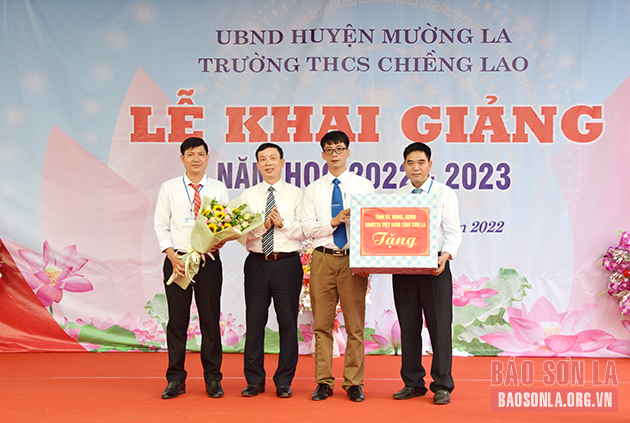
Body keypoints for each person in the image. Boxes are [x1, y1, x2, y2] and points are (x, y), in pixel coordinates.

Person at [301, 130, 375, 402]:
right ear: (323, 155)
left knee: (355, 325)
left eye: (339, 149)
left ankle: (354, 382)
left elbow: (372, 226)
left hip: (353, 260)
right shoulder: (313, 189)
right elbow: (306, 228)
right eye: (329, 150)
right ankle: (323, 381)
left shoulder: (363, 186)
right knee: (322, 324)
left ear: (348, 152)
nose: (335, 154)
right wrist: (333, 222)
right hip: (322, 258)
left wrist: (367, 261)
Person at [154, 137, 229, 399]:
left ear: (207, 157)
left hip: (208, 261)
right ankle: (175, 379)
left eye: (200, 154)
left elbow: (224, 224)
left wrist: (218, 240)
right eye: (190, 154)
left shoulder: (218, 188)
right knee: (177, 321)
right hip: (178, 261)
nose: (195, 158)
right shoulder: (169, 188)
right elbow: (161, 225)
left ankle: (213, 378)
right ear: (182, 159)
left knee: (210, 320)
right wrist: (171, 255)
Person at [391, 142, 462, 405]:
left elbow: (453, 232)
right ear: (404, 166)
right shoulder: (396, 197)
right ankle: (412, 383)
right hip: (404, 267)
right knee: (408, 326)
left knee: (439, 326)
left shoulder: (444, 193)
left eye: (421, 162)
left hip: (435, 266)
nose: (416, 168)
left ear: (430, 165)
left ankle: (442, 384)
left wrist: (446, 255)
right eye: (410, 163)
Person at [238, 143, 304, 399]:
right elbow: (240, 233)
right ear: (257, 165)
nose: (268, 163)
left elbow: (303, 230)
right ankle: (254, 380)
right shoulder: (248, 196)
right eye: (263, 159)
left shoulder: (296, 194)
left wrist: (282, 223)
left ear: (282, 162)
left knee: (287, 322)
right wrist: (263, 225)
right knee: (255, 322)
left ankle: (284, 381)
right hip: (257, 263)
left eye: (273, 158)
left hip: (287, 263)